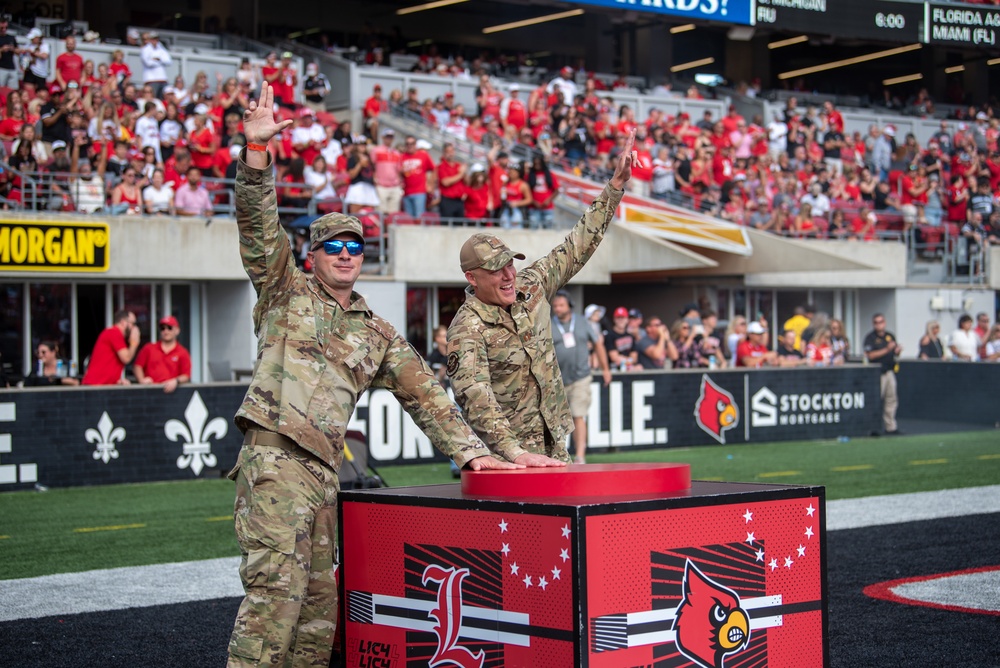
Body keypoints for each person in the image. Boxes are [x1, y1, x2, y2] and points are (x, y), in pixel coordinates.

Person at [225, 81, 521, 668]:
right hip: (276, 461)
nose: (345, 254)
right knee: (273, 603)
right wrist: (257, 156)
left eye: (355, 245)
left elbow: (429, 397)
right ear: (312, 254)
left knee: (317, 611)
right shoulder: (284, 291)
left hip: (324, 472)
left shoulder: (378, 331)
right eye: (332, 244)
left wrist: (473, 454)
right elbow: (258, 227)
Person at [446, 129, 639, 464]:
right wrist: (514, 452)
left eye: (509, 265)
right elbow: (475, 395)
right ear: (471, 278)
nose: (508, 275)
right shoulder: (467, 328)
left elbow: (577, 245)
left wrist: (616, 186)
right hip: (508, 461)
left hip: (555, 444)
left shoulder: (530, 287)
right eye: (496, 270)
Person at [551, 290, 611, 464]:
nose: (557, 309)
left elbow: (598, 345)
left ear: (570, 306)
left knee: (578, 415)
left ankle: (579, 456)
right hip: (557, 380)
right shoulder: (549, 323)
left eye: (561, 305)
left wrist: (605, 369)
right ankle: (559, 455)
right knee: (557, 420)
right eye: (555, 306)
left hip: (581, 377)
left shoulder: (583, 322)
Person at [863, 313, 902, 435]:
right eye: (876, 322)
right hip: (877, 373)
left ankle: (890, 426)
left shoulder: (890, 336)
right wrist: (887, 349)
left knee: (891, 399)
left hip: (889, 370)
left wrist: (897, 351)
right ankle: (874, 427)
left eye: (881, 322)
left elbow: (894, 354)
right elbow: (870, 355)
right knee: (876, 400)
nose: (879, 325)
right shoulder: (870, 338)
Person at [81, 309, 141, 386]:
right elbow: (126, 358)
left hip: (101, 385)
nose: (134, 328)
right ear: (123, 322)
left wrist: (117, 381)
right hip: (95, 385)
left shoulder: (115, 334)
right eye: (133, 324)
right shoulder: (114, 333)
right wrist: (134, 342)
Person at [134, 316, 191, 393]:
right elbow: (138, 366)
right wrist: (142, 380)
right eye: (162, 328)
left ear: (177, 330)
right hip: (150, 391)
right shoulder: (149, 348)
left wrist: (176, 381)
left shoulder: (182, 352)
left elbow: (186, 375)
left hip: (172, 393)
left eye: (169, 328)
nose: (166, 331)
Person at [140, 32, 172, 98]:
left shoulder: (161, 48)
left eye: (156, 39)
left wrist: (157, 59)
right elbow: (148, 63)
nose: (154, 41)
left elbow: (169, 61)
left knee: (162, 99)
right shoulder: (145, 49)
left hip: (162, 78)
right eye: (152, 39)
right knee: (152, 97)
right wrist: (161, 61)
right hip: (151, 79)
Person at [0, 15, 18, 89]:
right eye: (1, 28)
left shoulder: (11, 37)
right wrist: (1, 49)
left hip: (11, 67)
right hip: (1, 67)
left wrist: (13, 49)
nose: (4, 30)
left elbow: (17, 51)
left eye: (6, 28)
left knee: (13, 90)